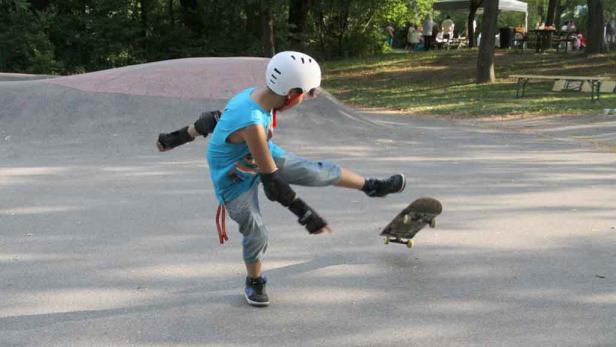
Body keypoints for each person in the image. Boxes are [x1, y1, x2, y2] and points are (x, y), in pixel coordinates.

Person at [156, 51, 406, 307]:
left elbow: (210, 121)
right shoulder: (251, 121)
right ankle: (254, 281)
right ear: (292, 94)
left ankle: (372, 187)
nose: (306, 99)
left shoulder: (254, 95)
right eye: (307, 94)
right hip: (233, 179)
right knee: (256, 231)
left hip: (257, 154)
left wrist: (174, 138)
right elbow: (273, 184)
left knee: (315, 171)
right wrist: (307, 216)